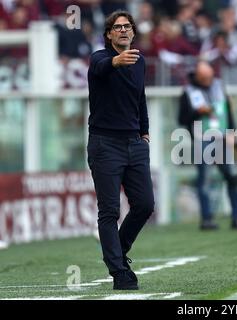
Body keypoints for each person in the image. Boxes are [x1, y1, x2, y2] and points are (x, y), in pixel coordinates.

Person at [87, 11, 154, 290]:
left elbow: (140, 98)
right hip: (105, 145)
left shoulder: (140, 62)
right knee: (110, 211)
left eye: (128, 27)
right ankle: (118, 272)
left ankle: (119, 250)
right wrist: (116, 61)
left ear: (133, 32)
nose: (124, 30)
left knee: (145, 205)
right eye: (118, 27)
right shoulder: (99, 58)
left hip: (135, 143)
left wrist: (145, 130)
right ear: (109, 34)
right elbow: (102, 68)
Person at [178, 61, 237, 231]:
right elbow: (182, 119)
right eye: (204, 78)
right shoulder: (188, 93)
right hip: (202, 141)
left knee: (232, 177)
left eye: (210, 77)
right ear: (197, 76)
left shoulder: (219, 87)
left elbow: (228, 111)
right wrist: (198, 112)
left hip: (223, 139)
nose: (208, 80)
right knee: (204, 180)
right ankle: (207, 219)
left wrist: (232, 132)